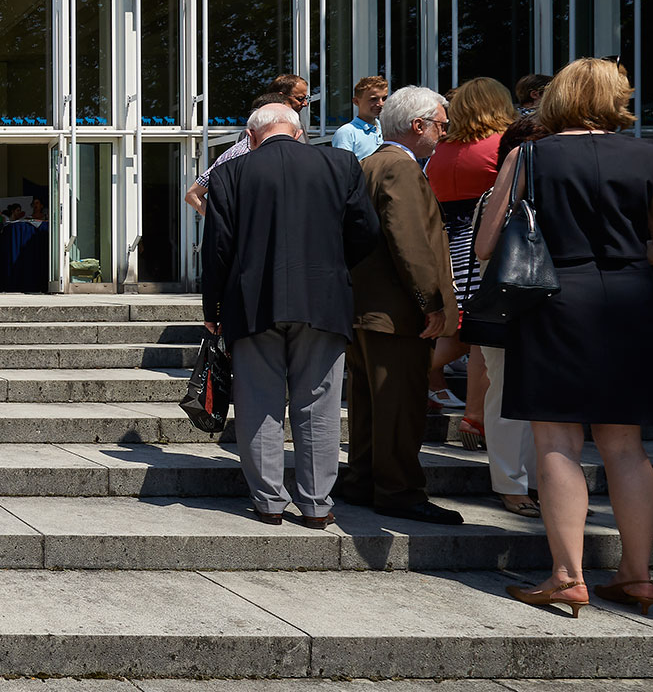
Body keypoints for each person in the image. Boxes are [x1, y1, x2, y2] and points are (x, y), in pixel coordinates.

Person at [481, 58, 653, 615]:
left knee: (557, 442)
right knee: (626, 446)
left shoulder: (529, 154)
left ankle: (567, 575)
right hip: (628, 302)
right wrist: (623, 256)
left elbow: (485, 247)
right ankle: (637, 575)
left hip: (553, 301)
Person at [202, 102, 381, 525]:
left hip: (253, 303)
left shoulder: (230, 173)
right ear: (299, 132)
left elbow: (217, 248)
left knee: (258, 401)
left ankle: (269, 501)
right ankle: (317, 504)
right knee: (319, 403)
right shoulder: (341, 164)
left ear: (250, 136)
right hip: (323, 301)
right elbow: (367, 230)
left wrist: (213, 308)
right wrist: (333, 269)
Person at [341, 84, 463, 524]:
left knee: (370, 402)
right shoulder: (400, 168)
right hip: (395, 312)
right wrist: (430, 300)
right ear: (418, 126)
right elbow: (409, 240)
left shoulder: (369, 163)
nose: (444, 134)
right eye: (441, 126)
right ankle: (398, 490)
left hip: (367, 308)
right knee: (399, 402)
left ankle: (363, 480)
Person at [464, 116, 548, 518]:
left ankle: (532, 478)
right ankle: (510, 482)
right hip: (507, 303)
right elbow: (484, 252)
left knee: (531, 394)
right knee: (504, 390)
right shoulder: (496, 198)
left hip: (535, 303)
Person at [425, 78, 517, 420]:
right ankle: (477, 412)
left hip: (449, 240)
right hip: (486, 241)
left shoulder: (442, 149)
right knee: (476, 329)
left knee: (463, 323)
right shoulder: (501, 147)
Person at [185, 84, 299, 214]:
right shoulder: (239, 153)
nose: (291, 119)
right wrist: (226, 225)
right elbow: (192, 194)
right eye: (286, 114)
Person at [331, 76, 389, 160]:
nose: (381, 104)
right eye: (373, 99)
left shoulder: (387, 129)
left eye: (384, 98)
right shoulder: (347, 133)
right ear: (356, 101)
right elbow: (342, 169)